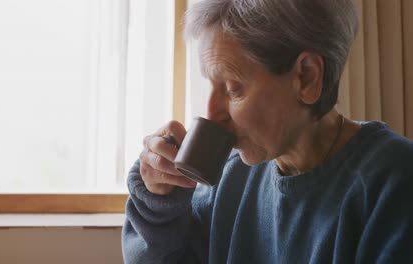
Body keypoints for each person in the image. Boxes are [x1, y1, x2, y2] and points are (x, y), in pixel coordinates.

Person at [122, 0, 413, 263]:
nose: (211, 114)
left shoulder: (394, 182)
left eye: (233, 89)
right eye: (210, 85)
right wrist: (158, 201)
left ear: (306, 77)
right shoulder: (230, 178)